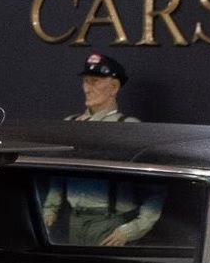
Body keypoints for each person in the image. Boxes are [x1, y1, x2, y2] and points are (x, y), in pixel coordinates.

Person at [42, 52, 161, 245]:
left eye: (95, 82)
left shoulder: (129, 128)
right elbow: (58, 174)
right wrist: (50, 210)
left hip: (110, 222)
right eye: (86, 82)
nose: (87, 89)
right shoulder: (71, 125)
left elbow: (154, 185)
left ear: (113, 87)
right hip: (75, 220)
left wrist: (135, 228)